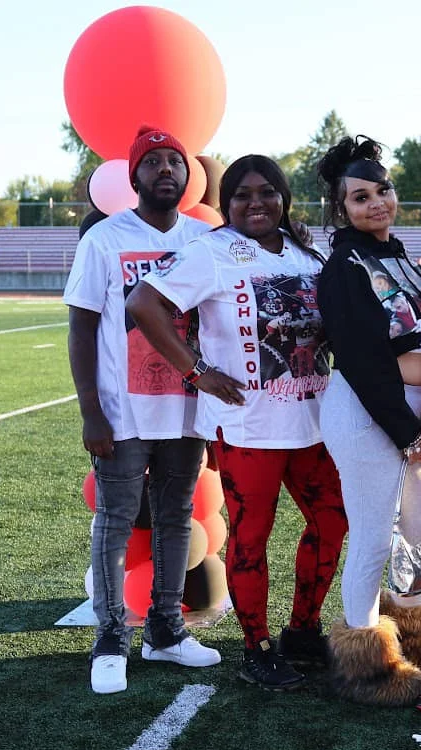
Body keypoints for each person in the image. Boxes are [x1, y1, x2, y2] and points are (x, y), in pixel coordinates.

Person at [126, 154, 348, 692]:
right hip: (249, 426)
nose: (257, 203)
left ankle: (302, 629)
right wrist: (197, 371)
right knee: (253, 534)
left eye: (267, 192)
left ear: (283, 198)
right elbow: (144, 302)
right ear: (226, 204)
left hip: (314, 418)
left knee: (333, 521)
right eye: (243, 194)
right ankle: (257, 647)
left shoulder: (302, 252)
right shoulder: (212, 252)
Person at [64, 125, 220, 695]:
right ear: (133, 176)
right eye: (151, 162)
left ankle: (166, 630)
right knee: (116, 520)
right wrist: (91, 411)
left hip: (186, 409)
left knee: (176, 518)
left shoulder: (205, 238)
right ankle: (110, 636)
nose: (163, 171)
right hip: (123, 412)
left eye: (173, 162)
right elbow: (81, 326)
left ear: (188, 175)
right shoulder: (104, 239)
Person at [315, 136, 421, 706]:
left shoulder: (400, 256)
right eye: (360, 196)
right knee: (371, 536)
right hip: (368, 413)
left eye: (383, 190)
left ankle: (412, 645)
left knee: (412, 531)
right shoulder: (344, 265)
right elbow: (363, 359)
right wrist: (405, 429)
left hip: (408, 415)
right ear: (340, 208)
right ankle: (367, 667)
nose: (377, 203)